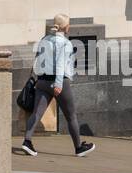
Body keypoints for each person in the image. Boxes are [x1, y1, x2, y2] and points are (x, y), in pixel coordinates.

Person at [19, 13, 95, 158]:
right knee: (71, 115)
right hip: (59, 82)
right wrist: (59, 84)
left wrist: (37, 78)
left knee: (36, 113)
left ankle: (27, 141)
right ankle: (79, 148)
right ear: (66, 27)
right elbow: (60, 65)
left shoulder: (44, 39)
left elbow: (37, 60)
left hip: (42, 81)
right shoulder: (65, 43)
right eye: (69, 24)